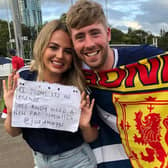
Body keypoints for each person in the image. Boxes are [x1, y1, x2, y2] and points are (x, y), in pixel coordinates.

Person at [66, 0, 164, 167]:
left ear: (108, 34)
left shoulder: (147, 59)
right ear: (72, 43)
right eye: (80, 37)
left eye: (95, 33)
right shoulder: (74, 78)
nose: (89, 44)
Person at [3, 19, 98, 168]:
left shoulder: (79, 86)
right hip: (40, 161)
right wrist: (11, 111)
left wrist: (85, 126)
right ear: (42, 46)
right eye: (53, 47)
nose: (60, 55)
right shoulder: (24, 78)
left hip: (77, 161)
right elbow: (13, 132)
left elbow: (92, 137)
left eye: (68, 51)